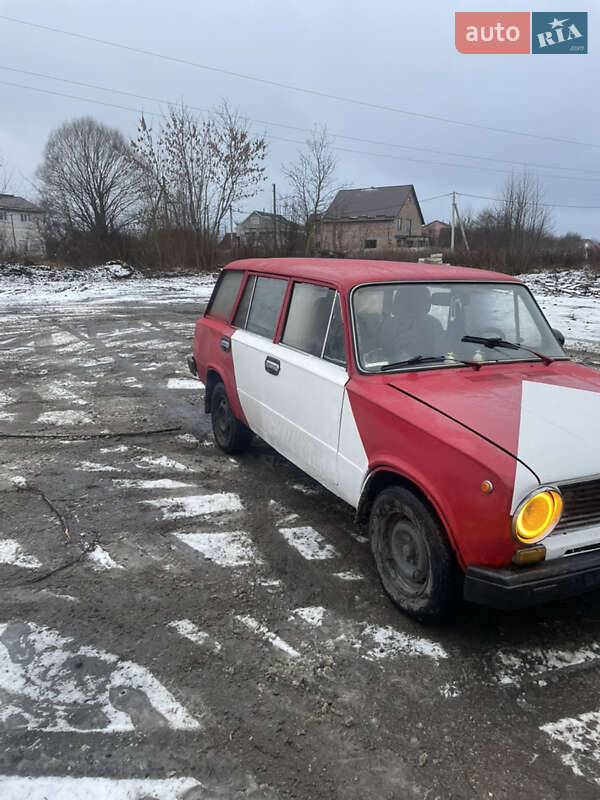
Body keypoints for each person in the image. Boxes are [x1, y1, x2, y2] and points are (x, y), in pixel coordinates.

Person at [381, 285, 444, 363]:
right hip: (395, 368)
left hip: (428, 367)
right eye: (424, 300)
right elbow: (384, 352)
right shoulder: (390, 324)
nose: (428, 304)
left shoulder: (433, 324)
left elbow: (441, 355)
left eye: (427, 300)